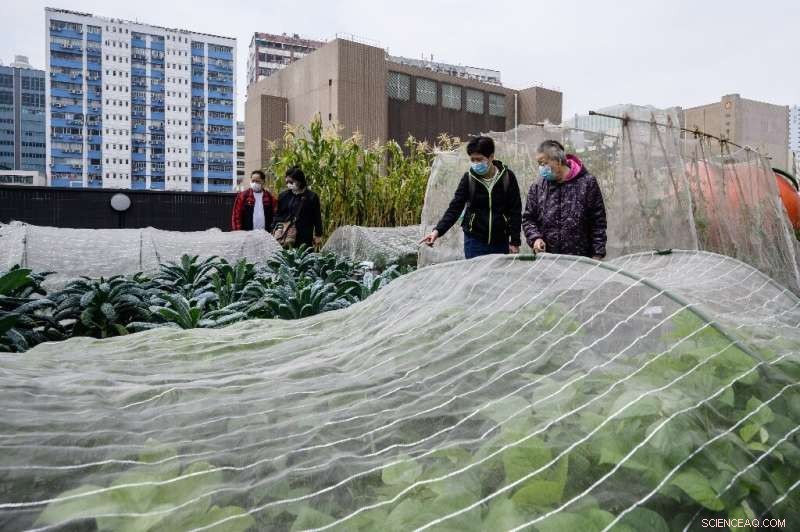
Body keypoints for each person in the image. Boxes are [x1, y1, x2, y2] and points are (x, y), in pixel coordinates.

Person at [420, 136, 522, 259]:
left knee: (498, 276)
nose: (475, 164)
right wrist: (437, 231)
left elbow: (515, 211)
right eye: (472, 160)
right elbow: (455, 209)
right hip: (475, 242)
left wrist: (515, 241)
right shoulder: (468, 179)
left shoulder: (507, 178)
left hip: (500, 242)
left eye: (479, 159)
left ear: (491, 157)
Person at [522, 140, 607, 259]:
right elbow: (529, 219)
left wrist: (597, 254)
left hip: (580, 260)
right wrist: (535, 238)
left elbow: (598, 221)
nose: (541, 168)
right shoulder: (538, 187)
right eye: (539, 164)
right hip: (547, 260)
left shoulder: (587, 183)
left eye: (544, 163)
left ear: (559, 161)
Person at [274, 166, 323, 249]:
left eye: (291, 182)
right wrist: (276, 228)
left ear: (299, 181)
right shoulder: (283, 196)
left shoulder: (311, 197)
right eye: (287, 182)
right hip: (286, 235)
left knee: (303, 258)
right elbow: (278, 214)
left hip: (304, 235)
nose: (288, 184)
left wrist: (318, 235)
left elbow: (317, 217)